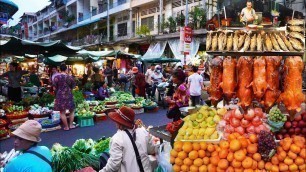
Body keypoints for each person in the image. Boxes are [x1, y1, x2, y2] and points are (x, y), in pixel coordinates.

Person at [100, 106, 157, 172]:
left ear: (119, 122)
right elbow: (152, 149)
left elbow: (113, 165)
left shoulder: (117, 139)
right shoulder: (143, 132)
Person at [53, 64, 77, 131]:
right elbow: (73, 86)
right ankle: (71, 125)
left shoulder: (57, 77)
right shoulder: (70, 77)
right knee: (72, 110)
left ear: (60, 69)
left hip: (60, 95)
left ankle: (66, 127)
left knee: (62, 112)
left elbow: (54, 88)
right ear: (66, 69)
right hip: (69, 94)